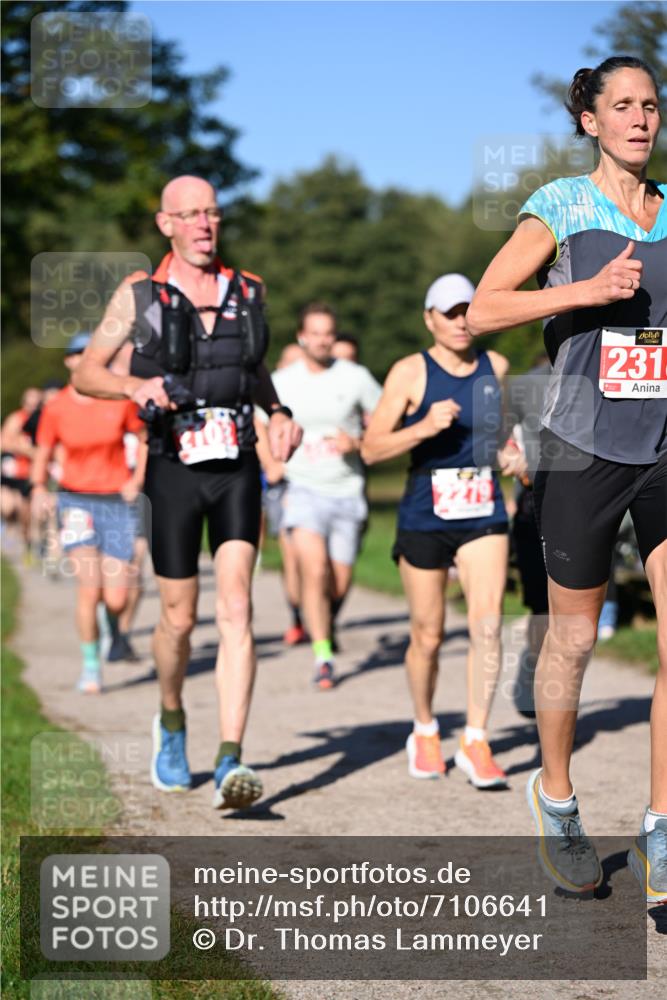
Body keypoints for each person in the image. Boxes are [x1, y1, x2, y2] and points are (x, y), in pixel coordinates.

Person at [467, 57, 666, 899]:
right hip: (582, 446)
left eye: (650, 104)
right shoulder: (559, 204)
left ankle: (660, 829)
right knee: (574, 641)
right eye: (621, 105)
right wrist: (582, 291)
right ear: (590, 120)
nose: (639, 118)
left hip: (662, 446)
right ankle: (555, 800)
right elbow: (482, 309)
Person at [73, 175, 301, 810]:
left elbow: (251, 367)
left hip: (237, 464)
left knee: (238, 608)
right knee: (178, 617)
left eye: (213, 213)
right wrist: (133, 387)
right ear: (166, 223)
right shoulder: (139, 295)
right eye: (191, 214)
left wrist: (279, 412)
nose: (205, 224)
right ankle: (171, 719)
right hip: (172, 466)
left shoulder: (248, 289)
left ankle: (231, 758)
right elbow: (88, 372)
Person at [362, 274, 511, 788]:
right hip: (425, 511)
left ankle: (476, 739)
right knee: (428, 634)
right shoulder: (409, 372)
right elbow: (371, 448)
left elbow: (499, 437)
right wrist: (423, 426)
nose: (460, 321)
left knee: (488, 624)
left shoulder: (496, 367)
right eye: (449, 313)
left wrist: (513, 454)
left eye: (467, 310)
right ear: (429, 319)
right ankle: (425, 729)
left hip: (482, 508)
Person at [271, 303, 382, 688]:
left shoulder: (355, 377)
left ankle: (324, 622)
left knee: (339, 582)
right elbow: (260, 422)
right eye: (315, 333)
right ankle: (323, 656)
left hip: (347, 490)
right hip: (302, 487)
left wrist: (359, 442)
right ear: (301, 337)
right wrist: (271, 464)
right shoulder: (282, 381)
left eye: (328, 334)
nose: (322, 340)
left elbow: (387, 420)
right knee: (314, 569)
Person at [31, 334, 145, 693]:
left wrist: (137, 479)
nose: (85, 358)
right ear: (68, 361)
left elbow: (143, 437)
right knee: (89, 588)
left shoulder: (118, 400)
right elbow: (43, 450)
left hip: (116, 500)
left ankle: (113, 628)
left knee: (117, 597)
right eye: (78, 353)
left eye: (91, 353)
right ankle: (91, 667)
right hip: (76, 500)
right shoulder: (56, 407)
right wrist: (38, 487)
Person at [504, 354, 551, 717]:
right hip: (533, 504)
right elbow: (500, 439)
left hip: (588, 504)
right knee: (543, 605)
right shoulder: (523, 386)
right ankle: (536, 673)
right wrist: (511, 457)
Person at [1, 387, 42, 561]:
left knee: (28, 516)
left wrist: (31, 452)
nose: (32, 407)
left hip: (31, 475)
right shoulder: (15, 419)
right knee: (8, 507)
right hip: (12, 475)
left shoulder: (44, 421)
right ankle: (9, 531)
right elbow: (4, 443)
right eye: (29, 403)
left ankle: (28, 545)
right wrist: (24, 449)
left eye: (36, 404)